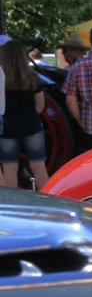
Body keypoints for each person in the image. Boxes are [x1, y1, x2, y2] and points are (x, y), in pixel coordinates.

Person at [0, 36, 49, 189]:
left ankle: (13, 202)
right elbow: (40, 106)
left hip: (7, 126)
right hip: (31, 124)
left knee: (9, 168)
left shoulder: (1, 78)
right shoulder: (33, 77)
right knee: (39, 167)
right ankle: (48, 197)